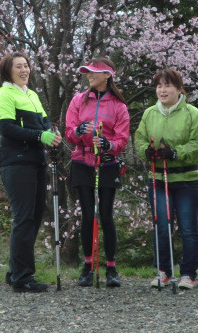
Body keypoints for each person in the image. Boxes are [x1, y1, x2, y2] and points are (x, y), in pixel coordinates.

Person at [0, 51, 62, 293]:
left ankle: (15, 271)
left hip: (35, 161)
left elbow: (43, 123)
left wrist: (52, 133)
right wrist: (39, 135)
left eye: (27, 65)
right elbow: (7, 128)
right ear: (8, 71)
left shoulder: (30, 94)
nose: (24, 70)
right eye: (18, 66)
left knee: (34, 214)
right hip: (16, 162)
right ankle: (22, 277)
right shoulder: (4, 94)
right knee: (24, 217)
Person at [134, 68, 198, 290]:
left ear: (179, 89)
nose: (162, 90)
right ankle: (163, 270)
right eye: (159, 86)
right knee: (161, 226)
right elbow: (139, 137)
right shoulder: (149, 114)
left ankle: (188, 273)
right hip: (157, 178)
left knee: (188, 227)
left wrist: (175, 152)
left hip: (187, 179)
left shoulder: (193, 113)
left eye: (167, 86)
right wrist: (146, 151)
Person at [64, 57, 130, 288]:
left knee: (106, 214)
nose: (89, 75)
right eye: (87, 72)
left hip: (107, 163)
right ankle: (88, 266)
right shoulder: (78, 100)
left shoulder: (119, 106)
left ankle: (111, 267)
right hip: (82, 161)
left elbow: (122, 138)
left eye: (94, 72)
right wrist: (79, 131)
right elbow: (69, 132)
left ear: (107, 75)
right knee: (88, 215)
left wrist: (108, 145)